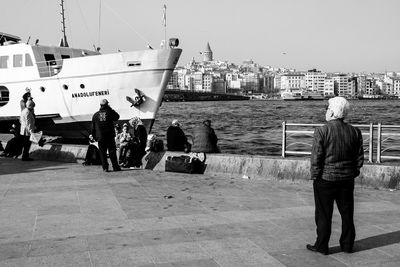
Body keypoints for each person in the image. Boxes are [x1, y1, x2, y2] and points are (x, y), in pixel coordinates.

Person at [307, 97, 364, 255]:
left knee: (324, 214)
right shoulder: (355, 131)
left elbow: (316, 158)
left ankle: (322, 245)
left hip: (325, 179)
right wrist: (353, 172)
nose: (326, 110)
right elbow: (359, 158)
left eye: (327, 108)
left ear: (332, 111)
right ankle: (347, 245)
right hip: (347, 180)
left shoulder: (322, 131)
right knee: (347, 213)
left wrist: (315, 176)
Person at [91, 99, 121, 172]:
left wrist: (94, 136)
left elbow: (93, 127)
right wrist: (111, 109)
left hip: (100, 137)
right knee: (112, 152)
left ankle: (105, 167)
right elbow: (117, 117)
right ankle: (115, 167)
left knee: (102, 153)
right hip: (109, 136)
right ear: (107, 105)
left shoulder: (95, 115)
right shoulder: (110, 112)